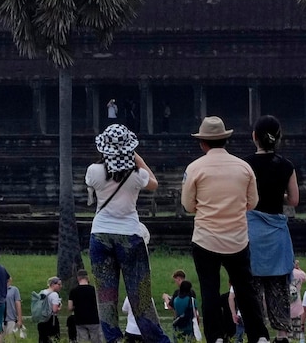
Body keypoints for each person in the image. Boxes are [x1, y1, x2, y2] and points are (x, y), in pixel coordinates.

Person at [181, 117, 269, 343]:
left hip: (206, 239)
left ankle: (216, 337)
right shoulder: (244, 168)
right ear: (225, 140)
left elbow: (188, 206)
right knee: (245, 289)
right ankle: (259, 336)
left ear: (202, 143)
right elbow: (253, 203)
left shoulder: (194, 169)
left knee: (209, 289)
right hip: (237, 239)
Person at [85, 125, 166, 343]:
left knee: (106, 296)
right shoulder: (137, 175)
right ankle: (158, 340)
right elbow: (154, 183)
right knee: (140, 296)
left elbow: (98, 181)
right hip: (130, 235)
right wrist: (136, 157)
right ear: (129, 148)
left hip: (100, 234)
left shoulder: (93, 171)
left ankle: (113, 340)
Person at [245, 116, 299, 343]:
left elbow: (242, 197)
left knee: (253, 286)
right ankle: (282, 335)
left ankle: (258, 335)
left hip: (252, 231)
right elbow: (294, 200)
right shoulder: (286, 166)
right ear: (278, 138)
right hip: (276, 232)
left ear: (254, 137)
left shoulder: (245, 164)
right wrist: (278, 196)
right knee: (277, 285)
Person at [65, 273, 99, 343]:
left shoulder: (73, 291)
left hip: (80, 320)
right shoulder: (94, 290)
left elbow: (70, 307)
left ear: (78, 279)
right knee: (96, 340)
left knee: (83, 340)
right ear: (87, 278)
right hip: (94, 319)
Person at [31, 279, 61, 343]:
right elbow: (54, 310)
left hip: (41, 319)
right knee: (54, 339)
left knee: (42, 339)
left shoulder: (42, 292)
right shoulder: (54, 294)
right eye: (59, 284)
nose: (60, 286)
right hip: (51, 320)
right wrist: (59, 308)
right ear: (53, 284)